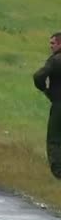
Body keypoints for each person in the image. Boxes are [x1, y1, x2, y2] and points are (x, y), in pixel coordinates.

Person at [32, 32, 61, 178]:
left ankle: (58, 172)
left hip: (59, 104)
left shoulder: (55, 60)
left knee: (54, 139)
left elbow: (38, 76)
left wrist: (44, 89)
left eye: (53, 44)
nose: (50, 47)